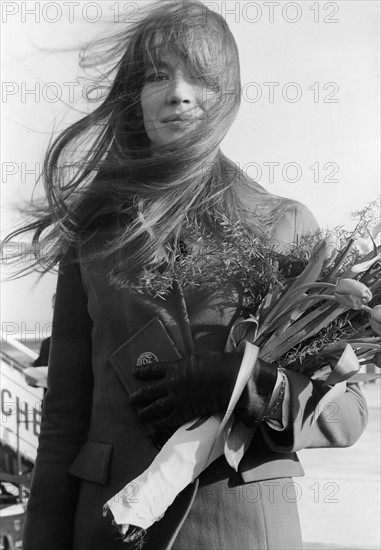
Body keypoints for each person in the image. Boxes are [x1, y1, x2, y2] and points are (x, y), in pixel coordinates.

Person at [4, 1, 368, 549]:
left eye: (200, 77)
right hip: (106, 528)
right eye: (157, 75)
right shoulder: (95, 233)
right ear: (135, 96)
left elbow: (347, 414)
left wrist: (248, 386)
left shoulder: (283, 225)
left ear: (229, 95)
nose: (178, 92)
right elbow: (64, 418)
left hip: (241, 529)